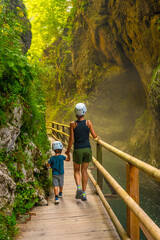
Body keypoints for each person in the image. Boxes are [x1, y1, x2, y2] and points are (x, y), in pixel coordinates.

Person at [65, 103, 100, 201]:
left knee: (76, 170)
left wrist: (67, 151)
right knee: (84, 171)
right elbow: (93, 135)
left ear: (75, 113)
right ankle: (84, 194)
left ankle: (79, 188)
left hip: (78, 150)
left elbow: (71, 139)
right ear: (84, 111)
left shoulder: (73, 124)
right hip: (87, 149)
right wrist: (98, 137)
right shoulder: (88, 123)